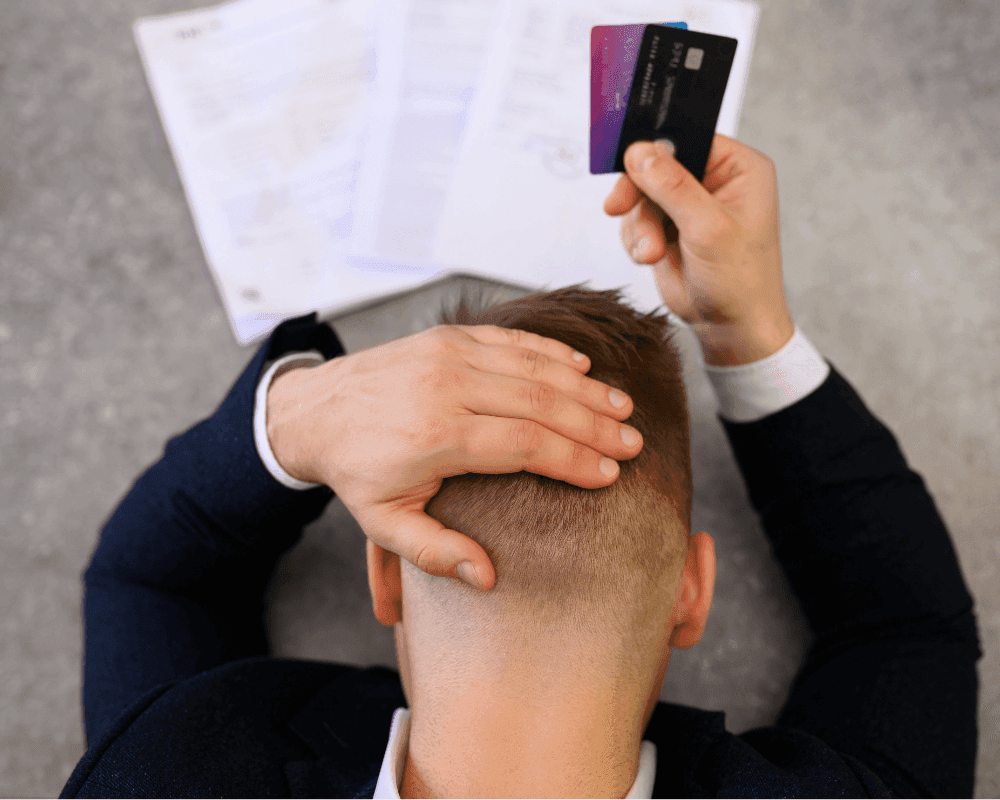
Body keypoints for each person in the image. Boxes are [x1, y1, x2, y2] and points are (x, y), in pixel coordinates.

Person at [60, 134, 982, 799]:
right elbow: (904, 625)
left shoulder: (173, 771)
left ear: (384, 572)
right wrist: (747, 332)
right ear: (693, 591)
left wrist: (306, 414)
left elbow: (150, 579)